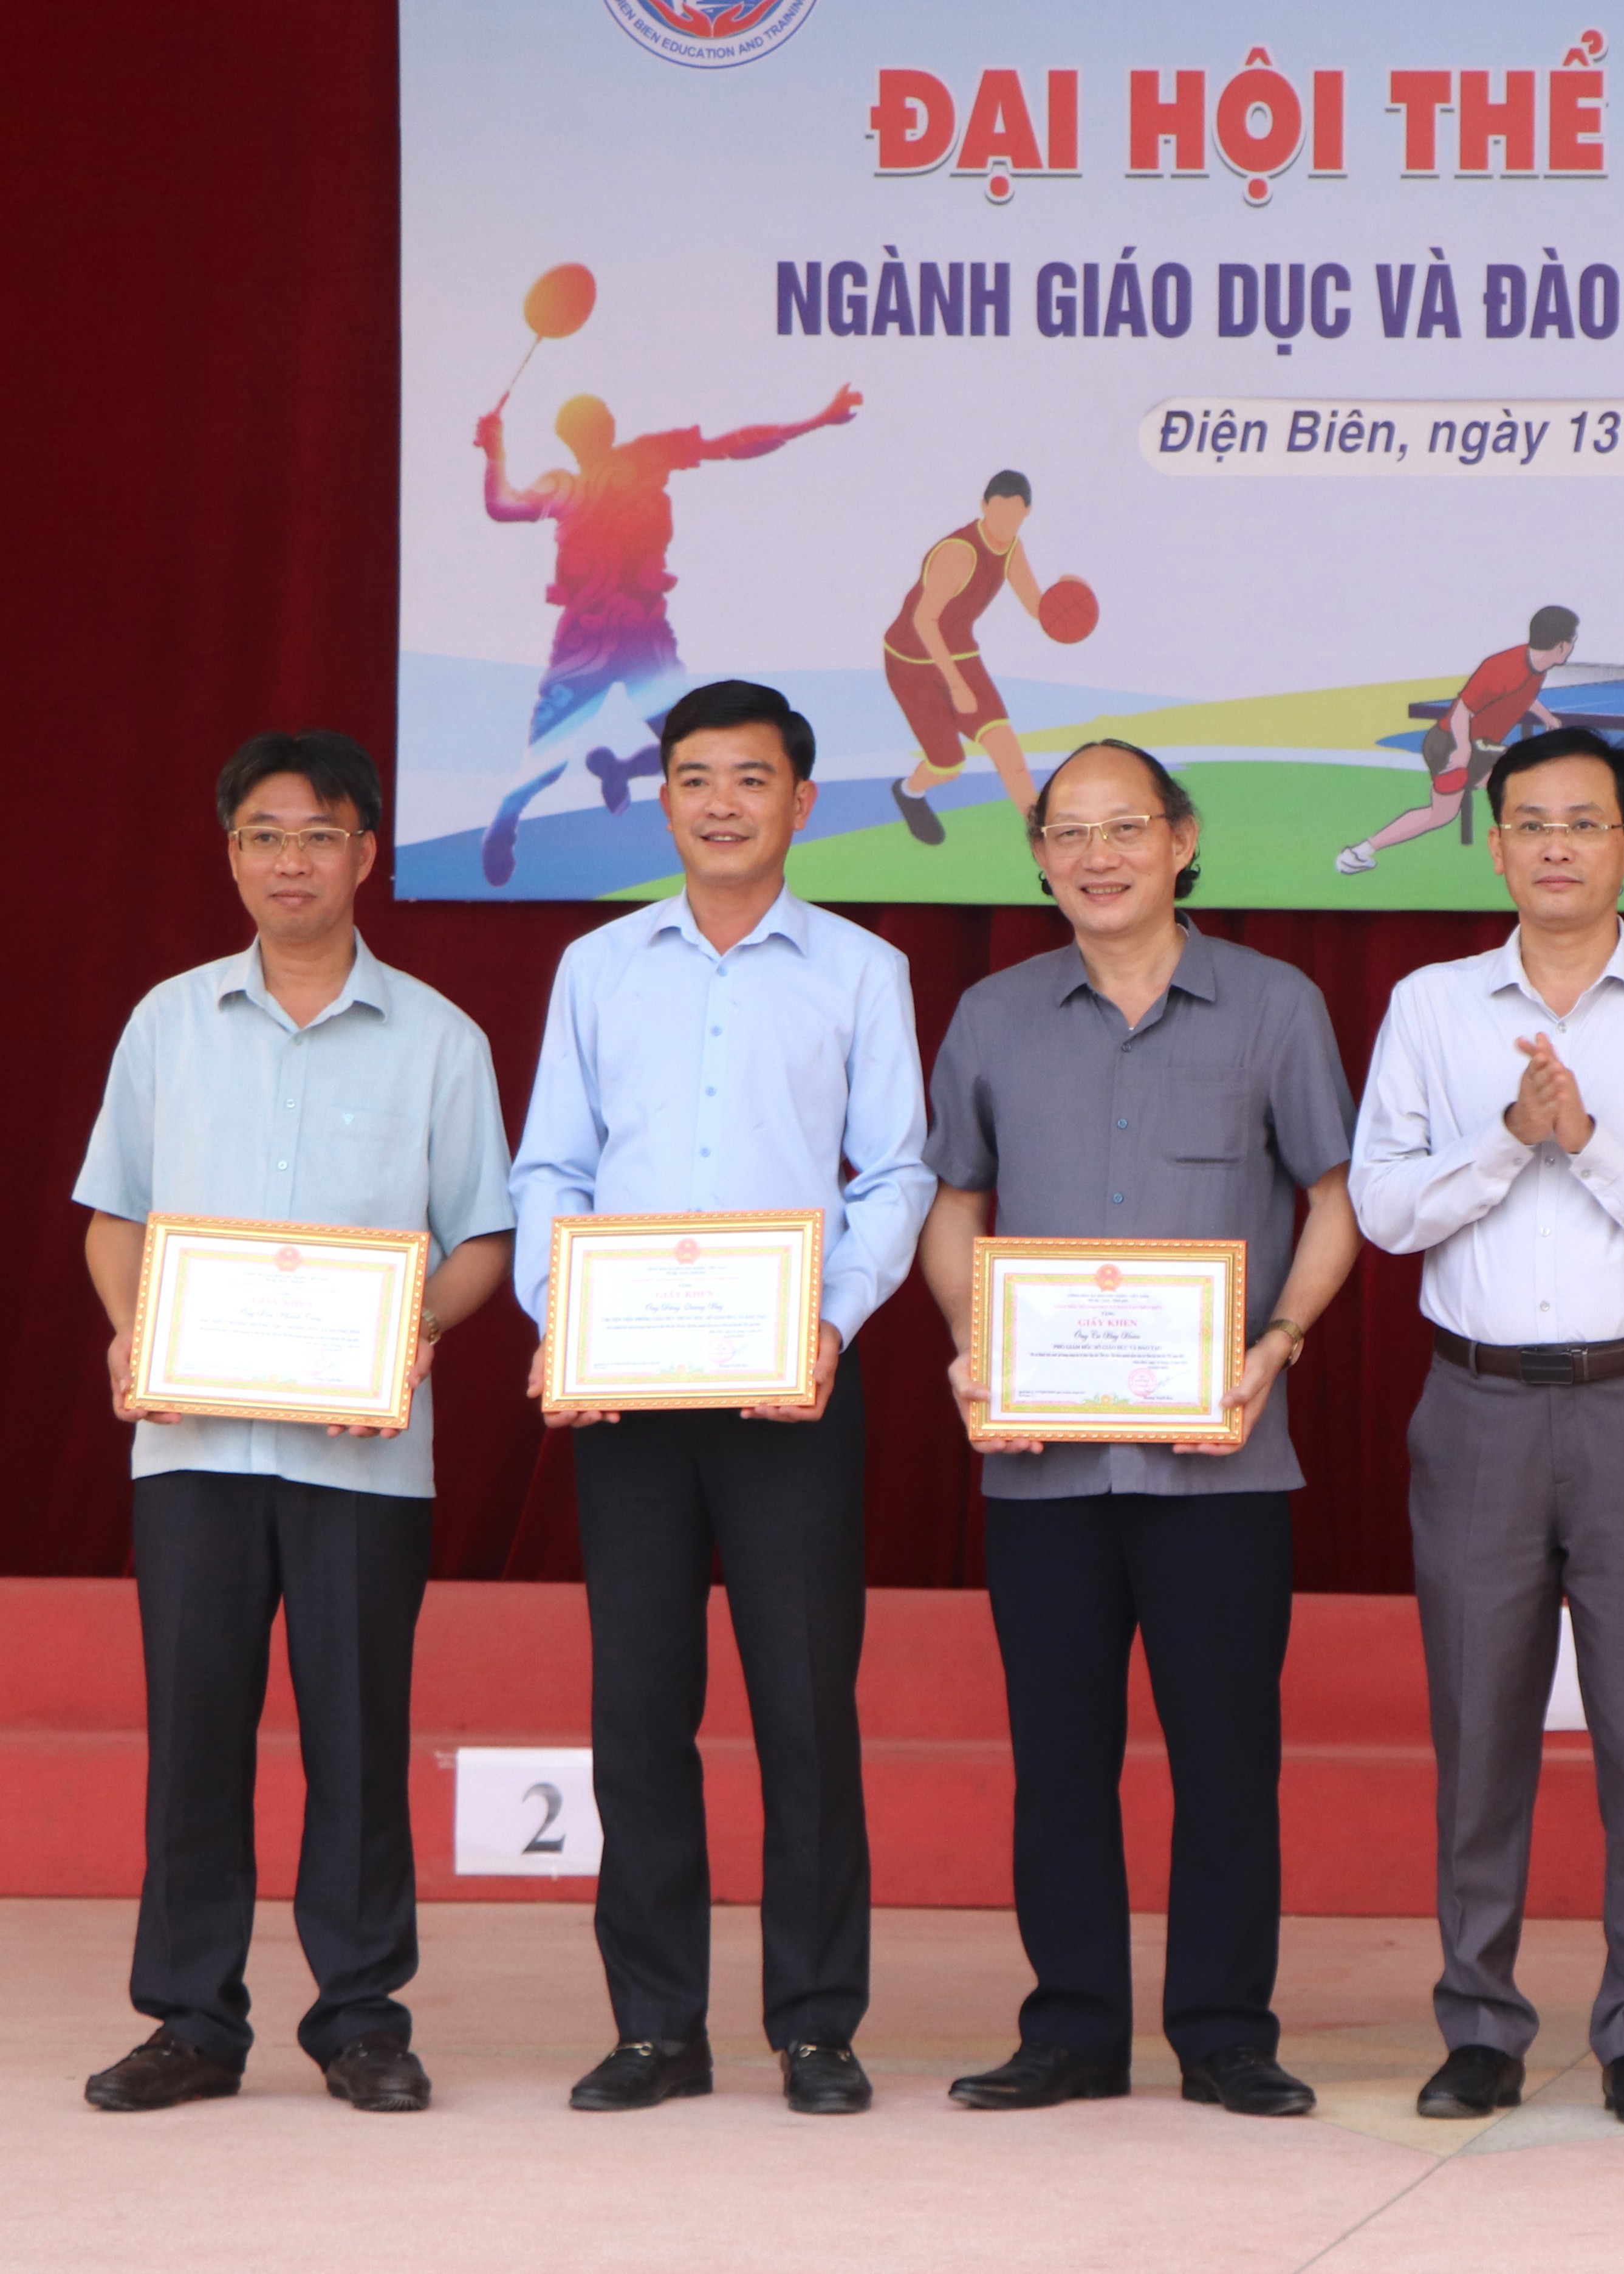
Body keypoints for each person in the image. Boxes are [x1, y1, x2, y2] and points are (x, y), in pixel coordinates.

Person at [916, 739, 1362, 2119]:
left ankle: (1225, 2031)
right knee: (1059, 1758)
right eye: (1068, 832)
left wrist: (1275, 1343)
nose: (1096, 855)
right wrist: (971, 1344)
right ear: (1039, 855)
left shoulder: (1275, 1005)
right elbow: (953, 1205)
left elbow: (1334, 1198)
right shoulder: (992, 1015)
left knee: (1225, 1756)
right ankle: (1072, 2028)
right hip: (1041, 1465)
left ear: (1181, 839)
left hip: (1219, 1460)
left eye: (1124, 827)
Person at [509, 679, 934, 2117]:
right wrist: (561, 1318)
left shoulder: (861, 968)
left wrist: (828, 1323)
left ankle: (816, 2024)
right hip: (625, 1394)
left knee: (805, 1708)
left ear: (800, 800)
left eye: (750, 777)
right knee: (637, 1708)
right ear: (664, 798)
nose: (720, 802)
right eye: (693, 776)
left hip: (788, 1389)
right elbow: (552, 1166)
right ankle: (656, 2025)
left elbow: (896, 1169)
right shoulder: (597, 966)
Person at [74, 731, 513, 2114]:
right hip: (193, 1444)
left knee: (360, 1740)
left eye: (318, 834)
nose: (290, 860)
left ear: (366, 852)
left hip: (361, 1454)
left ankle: (362, 2019)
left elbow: (484, 1237)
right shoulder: (167, 1022)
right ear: (230, 853)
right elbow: (113, 1213)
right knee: (194, 1735)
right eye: (263, 834)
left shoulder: (440, 1037)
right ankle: (192, 2019)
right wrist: (132, 1325)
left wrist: (416, 1324)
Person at [1351, 726, 1624, 2128]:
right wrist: (1506, 1135)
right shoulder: (1429, 1004)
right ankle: (1479, 2022)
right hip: (1473, 1401)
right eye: (1528, 821)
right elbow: (1381, 1207)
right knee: (1478, 1727)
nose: (1554, 845)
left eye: (1583, 822)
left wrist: (1586, 1140)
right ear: (1494, 846)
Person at [474, 383, 861, 886]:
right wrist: (495, 448)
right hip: (588, 640)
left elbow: (733, 444)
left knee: (691, 752)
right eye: (592, 423)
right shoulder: (567, 485)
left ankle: (616, 772)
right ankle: (506, 820)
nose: (601, 427)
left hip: (643, 638)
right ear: (582, 436)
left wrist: (815, 420)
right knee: (551, 757)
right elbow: (503, 505)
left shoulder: (642, 458)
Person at [1334, 605, 1576, 875]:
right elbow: (1463, 710)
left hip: (1480, 746)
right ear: (1562, 646)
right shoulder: (1502, 668)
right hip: (1451, 744)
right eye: (1573, 640)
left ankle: (1358, 853)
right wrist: (1462, 750)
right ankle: (1358, 853)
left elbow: (1522, 695)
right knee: (1442, 814)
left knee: (1521, 787)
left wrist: (1546, 717)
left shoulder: (1538, 666)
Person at [885, 470, 1059, 843]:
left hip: (960, 652)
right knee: (948, 765)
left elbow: (1036, 606)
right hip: (911, 661)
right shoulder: (959, 553)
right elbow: (924, 620)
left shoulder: (1011, 547)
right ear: (984, 506)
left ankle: (1044, 837)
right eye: (999, 512)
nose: (1005, 522)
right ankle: (909, 791)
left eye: (1014, 515)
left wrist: (1066, 600)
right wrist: (956, 685)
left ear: (1027, 513)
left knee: (1008, 752)